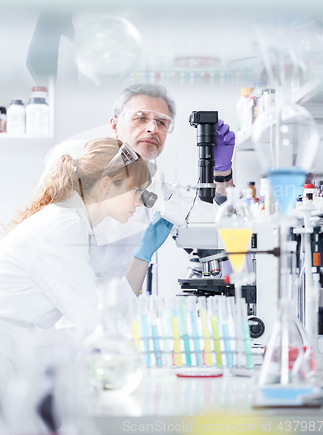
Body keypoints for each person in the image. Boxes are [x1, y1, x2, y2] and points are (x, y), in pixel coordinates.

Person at [0, 137, 173, 389]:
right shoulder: (62, 226)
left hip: (16, 343)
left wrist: (142, 255)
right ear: (105, 185)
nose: (139, 201)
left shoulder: (71, 221)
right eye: (136, 191)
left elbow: (103, 297)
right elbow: (92, 320)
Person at [39, 84, 235, 279]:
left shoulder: (157, 186)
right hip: (58, 297)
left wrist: (222, 173)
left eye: (161, 123)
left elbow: (216, 228)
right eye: (141, 118)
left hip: (117, 303)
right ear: (115, 126)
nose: (152, 128)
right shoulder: (75, 156)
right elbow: (45, 232)